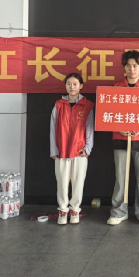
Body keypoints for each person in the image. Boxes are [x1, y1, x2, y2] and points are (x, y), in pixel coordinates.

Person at [107, 50, 139, 226]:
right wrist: (119, 127)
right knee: (121, 177)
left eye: (135, 66)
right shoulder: (116, 87)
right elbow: (109, 112)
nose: (132, 69)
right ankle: (119, 212)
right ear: (124, 68)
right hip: (120, 137)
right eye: (128, 66)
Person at [50, 72, 95, 225]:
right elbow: (52, 129)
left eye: (75, 84)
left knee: (78, 183)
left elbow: (90, 128)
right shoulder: (58, 105)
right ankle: (63, 210)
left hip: (79, 151)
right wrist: (54, 150)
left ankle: (75, 209)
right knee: (62, 183)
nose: (72, 87)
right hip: (61, 151)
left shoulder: (87, 105)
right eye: (69, 84)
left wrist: (87, 148)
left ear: (81, 86)